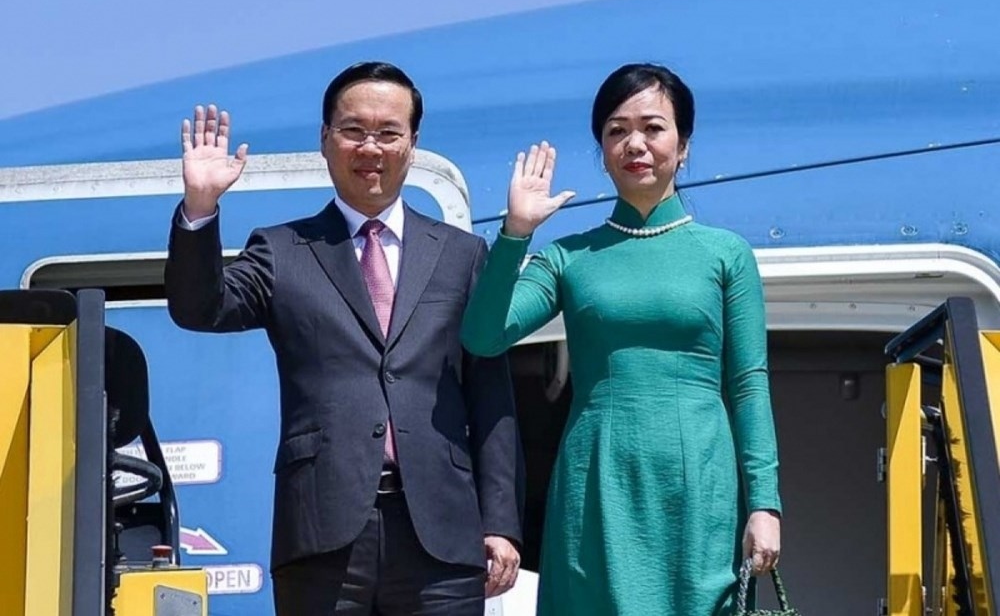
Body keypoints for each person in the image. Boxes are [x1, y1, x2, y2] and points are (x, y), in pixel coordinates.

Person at [164, 61, 524, 615]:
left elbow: (490, 393)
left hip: (442, 535)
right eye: (353, 130)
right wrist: (200, 207)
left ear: (412, 144)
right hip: (322, 533)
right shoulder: (281, 250)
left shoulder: (462, 255)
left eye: (388, 133)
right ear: (325, 139)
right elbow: (199, 308)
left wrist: (500, 521)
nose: (370, 148)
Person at [460, 63, 781, 615]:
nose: (635, 144)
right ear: (602, 150)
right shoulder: (569, 256)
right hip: (597, 476)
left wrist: (764, 504)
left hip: (699, 478)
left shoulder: (726, 254)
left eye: (653, 128)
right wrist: (516, 232)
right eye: (617, 130)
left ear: (683, 145)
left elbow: (749, 384)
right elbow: (484, 337)